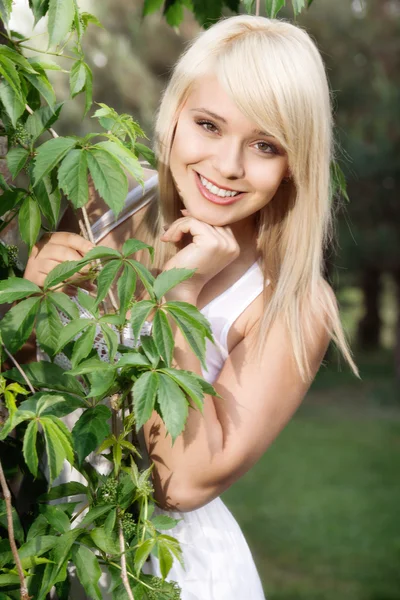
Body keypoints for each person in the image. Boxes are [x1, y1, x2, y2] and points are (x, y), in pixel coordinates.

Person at [23, 14, 359, 600]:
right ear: (174, 115)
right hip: (60, 557)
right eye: (208, 124)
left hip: (175, 578)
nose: (228, 166)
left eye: (264, 145)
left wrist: (178, 296)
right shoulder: (109, 207)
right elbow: (24, 377)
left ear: (293, 164)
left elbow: (178, 484)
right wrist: (32, 305)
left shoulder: (293, 301)